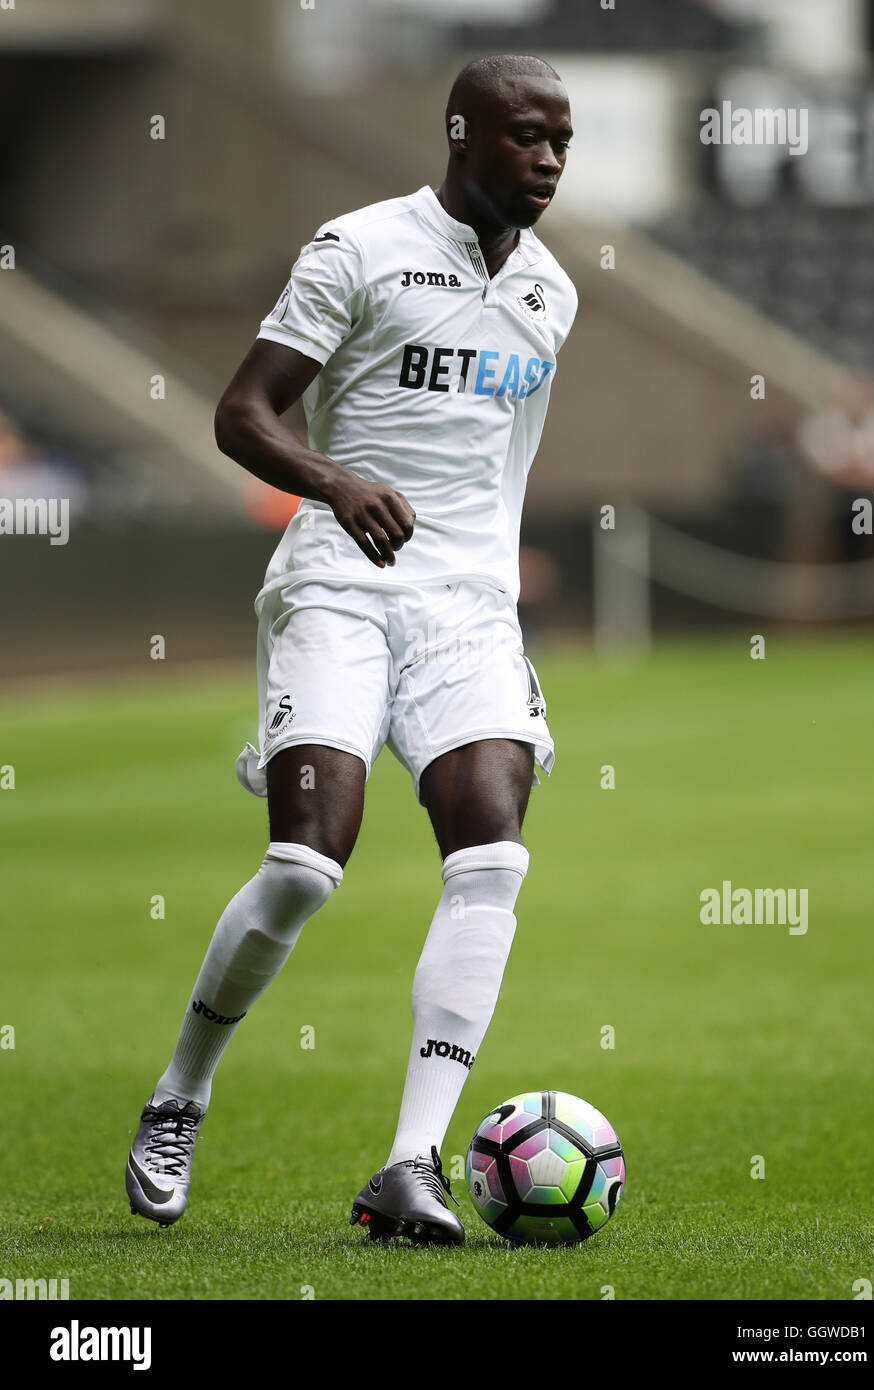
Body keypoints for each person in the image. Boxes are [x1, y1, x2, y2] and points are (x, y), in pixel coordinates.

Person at [125, 53, 577, 1247]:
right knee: (306, 868)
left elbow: (499, 463)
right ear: (459, 132)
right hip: (341, 583)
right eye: (525, 137)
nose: (546, 162)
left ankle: (409, 1161)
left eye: (562, 145)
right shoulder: (358, 248)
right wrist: (335, 479)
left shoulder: (550, 294)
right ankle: (180, 1093)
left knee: (492, 857)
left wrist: (497, 582)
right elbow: (242, 412)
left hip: (465, 612)